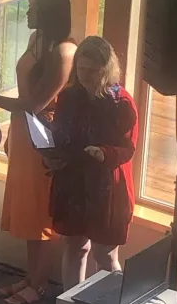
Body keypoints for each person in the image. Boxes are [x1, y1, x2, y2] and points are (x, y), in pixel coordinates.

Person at [0, 0, 77, 304]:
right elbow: (23, 93)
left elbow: (35, 103)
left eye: (33, 4)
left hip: (45, 136)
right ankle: (31, 275)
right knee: (27, 208)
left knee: (42, 212)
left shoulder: (65, 52)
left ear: (50, 9)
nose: (27, 9)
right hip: (24, 132)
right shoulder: (36, 38)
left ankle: (39, 284)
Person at [48, 36, 138, 290]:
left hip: (106, 186)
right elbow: (61, 134)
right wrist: (52, 152)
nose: (85, 76)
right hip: (74, 181)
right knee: (75, 246)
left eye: (92, 70)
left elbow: (128, 149)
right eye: (81, 69)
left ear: (106, 69)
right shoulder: (69, 97)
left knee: (105, 254)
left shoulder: (121, 103)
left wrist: (103, 153)